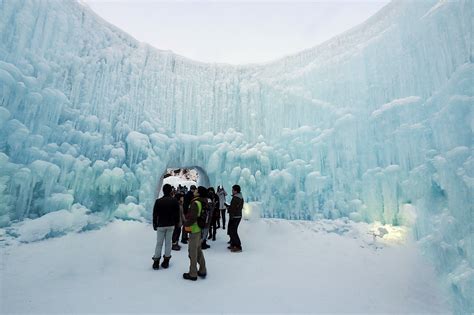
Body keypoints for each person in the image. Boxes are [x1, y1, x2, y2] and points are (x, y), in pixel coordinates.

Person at [183, 186, 208, 281]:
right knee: (198, 250)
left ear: (199, 193)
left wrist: (185, 224)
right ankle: (202, 269)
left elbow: (192, 218)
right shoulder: (202, 201)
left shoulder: (195, 203)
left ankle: (193, 273)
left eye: (197, 190)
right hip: (199, 229)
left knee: (192, 252)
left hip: (194, 229)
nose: (195, 191)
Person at [152, 184, 180, 269]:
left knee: (159, 243)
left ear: (163, 191)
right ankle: (166, 261)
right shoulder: (174, 201)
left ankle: (156, 262)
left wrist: (155, 224)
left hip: (161, 225)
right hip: (171, 225)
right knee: (168, 243)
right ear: (171, 191)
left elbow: (155, 214)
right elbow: (177, 214)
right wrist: (176, 223)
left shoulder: (158, 201)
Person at [227, 184, 244, 253]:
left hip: (235, 216)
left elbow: (233, 208)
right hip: (237, 215)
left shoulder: (236, 198)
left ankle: (238, 246)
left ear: (236, 191)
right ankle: (233, 244)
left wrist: (228, 207)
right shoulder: (239, 197)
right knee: (232, 231)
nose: (232, 191)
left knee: (233, 231)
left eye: (233, 190)